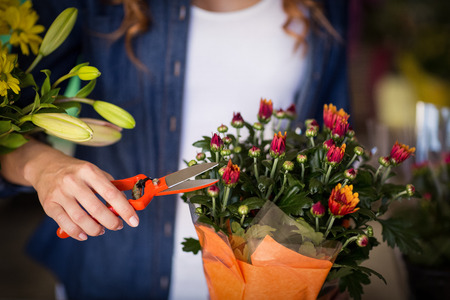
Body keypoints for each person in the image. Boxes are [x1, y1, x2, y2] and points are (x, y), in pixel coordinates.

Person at [0, 0, 350, 299]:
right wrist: (42, 165)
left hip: (267, 279)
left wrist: (327, 262)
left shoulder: (323, 7)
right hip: (113, 275)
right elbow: (10, 119)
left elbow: (329, 142)